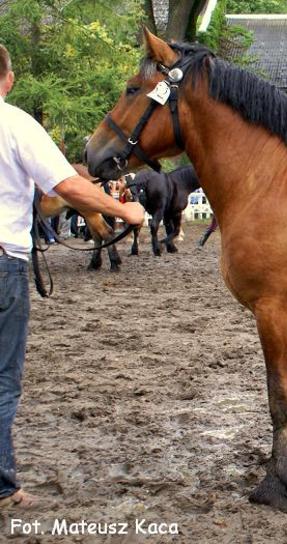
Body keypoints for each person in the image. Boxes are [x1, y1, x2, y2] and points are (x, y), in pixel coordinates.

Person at [0, 44, 144, 509]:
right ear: (9, 77)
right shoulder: (15, 124)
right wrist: (124, 209)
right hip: (4, 259)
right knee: (2, 379)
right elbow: (66, 185)